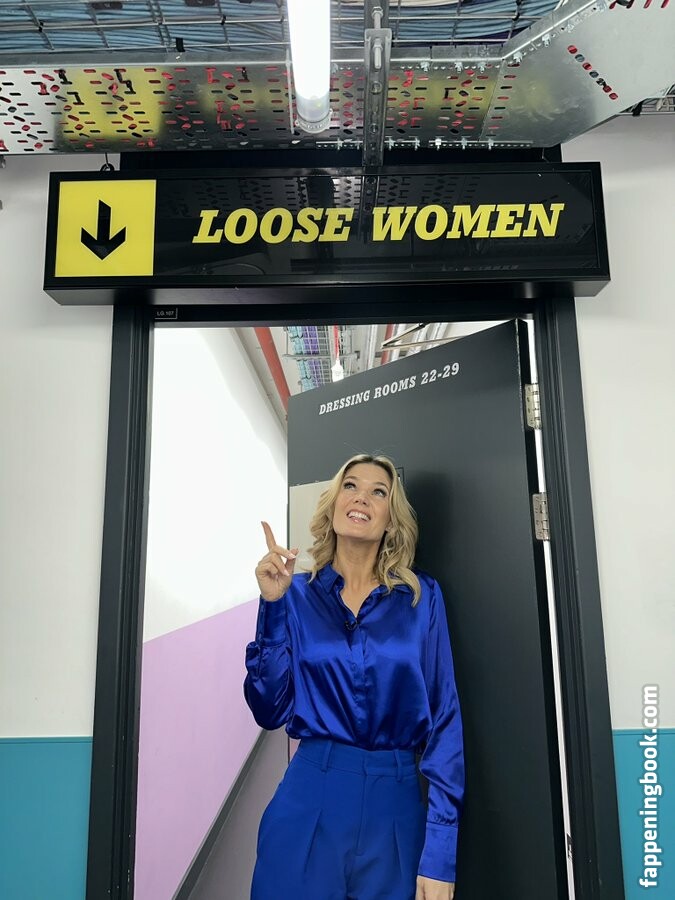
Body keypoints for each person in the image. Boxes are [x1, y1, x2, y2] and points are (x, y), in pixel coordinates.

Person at [243, 453, 465, 900]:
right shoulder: (295, 594)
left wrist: (441, 850)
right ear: (333, 506)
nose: (362, 496)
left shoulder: (422, 598)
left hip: (395, 805)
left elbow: (444, 719)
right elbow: (269, 710)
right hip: (310, 793)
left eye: (378, 491)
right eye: (351, 485)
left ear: (391, 519)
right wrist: (272, 607)